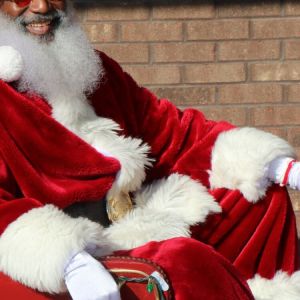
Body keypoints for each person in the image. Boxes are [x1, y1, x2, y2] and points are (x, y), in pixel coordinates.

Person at [0, 0, 299, 299]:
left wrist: (271, 163)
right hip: (80, 249)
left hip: (135, 215)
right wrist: (67, 259)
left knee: (262, 201)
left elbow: (167, 129)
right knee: (185, 260)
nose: (40, 6)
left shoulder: (91, 68)